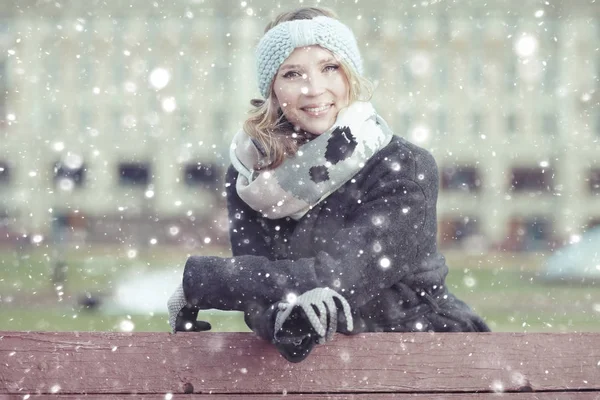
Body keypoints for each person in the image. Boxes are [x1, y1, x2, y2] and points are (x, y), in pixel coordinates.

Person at [168, 6, 490, 363]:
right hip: (325, 368)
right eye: (292, 73)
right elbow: (260, 300)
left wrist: (202, 280)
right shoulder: (251, 176)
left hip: (426, 357)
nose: (313, 89)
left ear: (350, 74)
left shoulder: (403, 167)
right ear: (272, 88)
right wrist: (284, 320)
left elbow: (338, 278)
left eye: (329, 67)